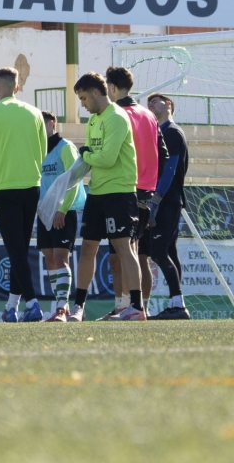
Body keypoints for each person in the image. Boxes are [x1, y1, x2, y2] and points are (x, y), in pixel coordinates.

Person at [0, 67, 47, 322]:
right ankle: (11, 307)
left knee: (15, 250)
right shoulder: (35, 112)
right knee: (20, 249)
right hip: (32, 185)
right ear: (17, 87)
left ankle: (33, 303)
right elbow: (43, 152)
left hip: (4, 187)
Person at [70, 72, 145, 320]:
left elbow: (106, 158)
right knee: (87, 248)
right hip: (97, 192)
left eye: (83, 98)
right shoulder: (93, 120)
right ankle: (79, 308)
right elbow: (93, 156)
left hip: (119, 193)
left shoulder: (117, 117)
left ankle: (137, 307)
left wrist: (85, 155)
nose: (82, 104)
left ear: (95, 92)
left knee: (124, 248)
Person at [106, 66, 168, 317]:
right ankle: (131, 306)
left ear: (111, 87)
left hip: (123, 188)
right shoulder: (149, 115)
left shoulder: (117, 114)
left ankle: (131, 306)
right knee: (132, 251)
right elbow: (163, 155)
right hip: (145, 191)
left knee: (124, 251)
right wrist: (150, 182)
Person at [146, 93, 191, 320]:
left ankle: (178, 304)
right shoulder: (159, 132)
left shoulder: (171, 132)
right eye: (149, 103)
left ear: (169, 104)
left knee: (158, 251)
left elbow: (171, 169)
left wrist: (155, 201)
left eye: (155, 101)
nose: (151, 105)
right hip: (167, 200)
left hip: (166, 201)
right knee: (169, 251)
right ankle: (176, 304)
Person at [38, 111, 82, 322]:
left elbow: (74, 180)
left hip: (63, 211)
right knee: (49, 257)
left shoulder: (65, 147)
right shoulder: (38, 150)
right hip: (44, 211)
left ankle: (62, 307)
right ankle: (59, 306)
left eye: (42, 124)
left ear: (52, 124)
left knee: (60, 257)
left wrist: (63, 209)